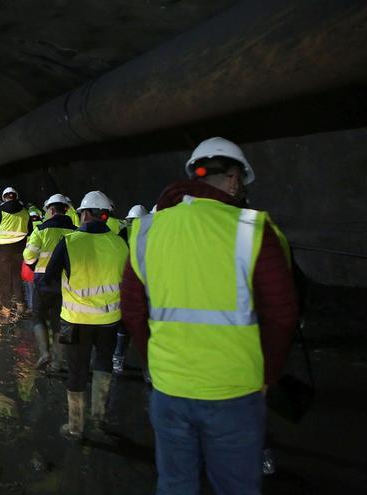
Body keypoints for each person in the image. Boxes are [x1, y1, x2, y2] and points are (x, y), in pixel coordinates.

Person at [121, 137, 298, 495]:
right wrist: (269, 374)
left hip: (170, 387)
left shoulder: (147, 230)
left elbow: (133, 310)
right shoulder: (254, 229)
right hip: (235, 390)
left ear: (195, 178)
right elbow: (282, 313)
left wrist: (151, 362)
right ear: (234, 179)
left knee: (175, 484)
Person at [40, 190, 128, 439]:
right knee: (103, 365)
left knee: (77, 372)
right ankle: (99, 418)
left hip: (76, 321)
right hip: (109, 321)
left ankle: (76, 427)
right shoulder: (120, 243)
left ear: (86, 213)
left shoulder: (70, 242)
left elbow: (48, 279)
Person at [26, 194, 76, 370]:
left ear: (52, 209)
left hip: (43, 282)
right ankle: (56, 362)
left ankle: (44, 353)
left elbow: (29, 256)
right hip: (66, 285)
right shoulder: (76, 231)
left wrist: (35, 266)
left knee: (38, 316)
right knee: (58, 321)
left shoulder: (41, 230)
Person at [110, 204, 149, 374]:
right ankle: (148, 370)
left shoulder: (122, 233)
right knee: (147, 328)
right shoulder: (151, 233)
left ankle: (117, 361)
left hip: (126, 282)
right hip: (147, 283)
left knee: (123, 326)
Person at [0, 186, 33, 316]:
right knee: (17, 276)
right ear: (15, 196)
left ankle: (6, 308)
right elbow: (29, 230)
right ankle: (20, 304)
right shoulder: (25, 212)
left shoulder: (0, 211)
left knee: (5, 278)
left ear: (4, 197)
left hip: (4, 250)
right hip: (20, 249)